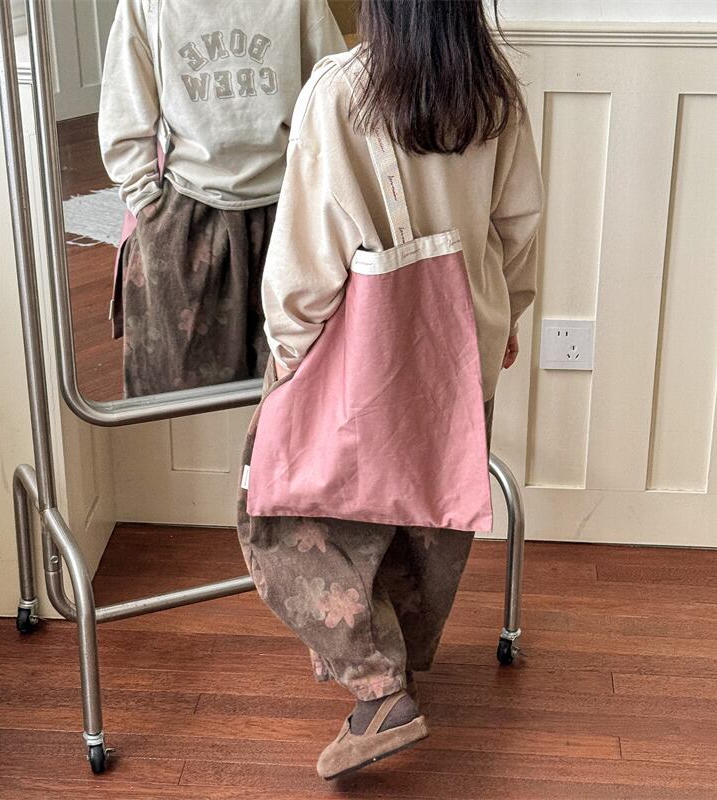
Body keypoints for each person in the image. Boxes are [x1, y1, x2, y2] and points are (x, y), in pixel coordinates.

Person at [236, 0, 545, 780]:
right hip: (462, 347)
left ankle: (380, 690)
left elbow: (308, 252)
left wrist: (287, 356)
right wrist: (508, 314)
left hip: (365, 361)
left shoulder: (342, 91)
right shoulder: (493, 89)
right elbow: (518, 225)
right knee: (425, 514)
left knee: (281, 515)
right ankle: (398, 666)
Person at [98, 0, 346, 397]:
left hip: (286, 207)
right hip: (187, 212)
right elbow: (123, 107)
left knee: (292, 380)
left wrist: (323, 188)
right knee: (178, 382)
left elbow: (333, 90)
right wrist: (144, 198)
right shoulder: (147, 5)